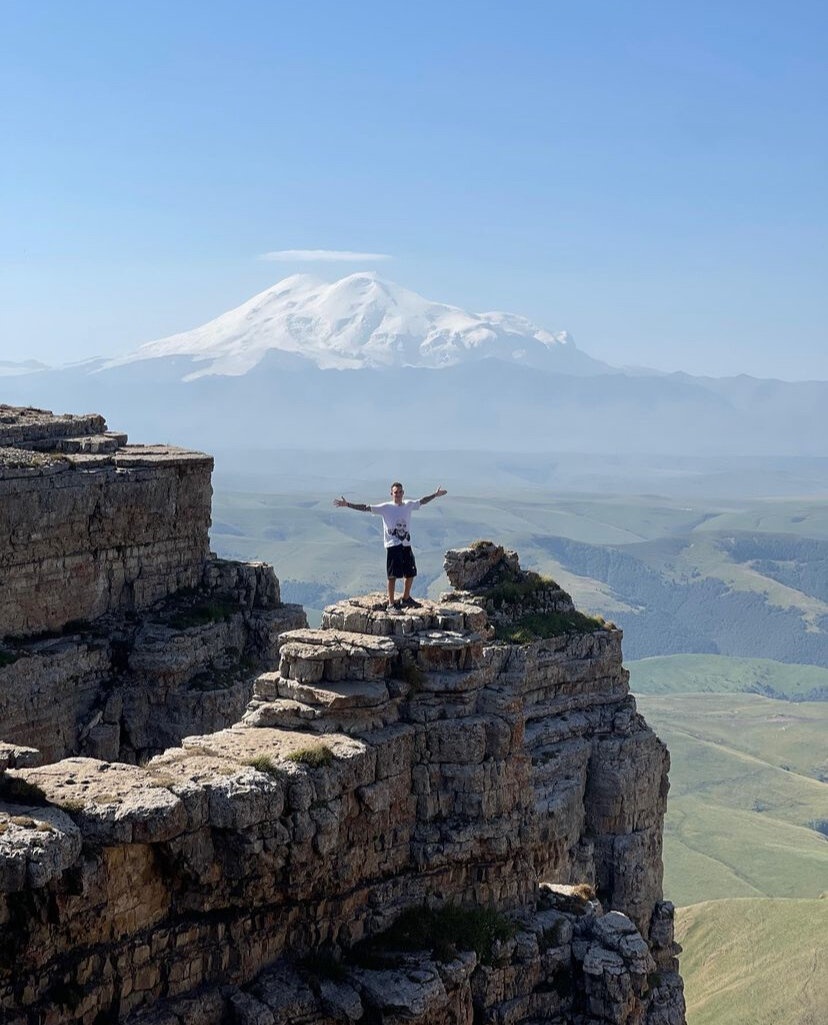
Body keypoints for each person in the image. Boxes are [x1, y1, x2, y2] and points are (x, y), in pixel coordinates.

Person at [334, 482, 447, 610]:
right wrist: (348, 504)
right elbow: (366, 507)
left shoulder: (408, 505)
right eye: (395, 492)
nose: (398, 495)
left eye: (400, 492)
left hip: (406, 544)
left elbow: (422, 501)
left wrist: (435, 495)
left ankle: (406, 598)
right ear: (391, 494)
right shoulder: (385, 507)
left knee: (411, 572)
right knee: (392, 576)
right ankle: (391, 604)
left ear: (403, 493)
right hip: (393, 545)